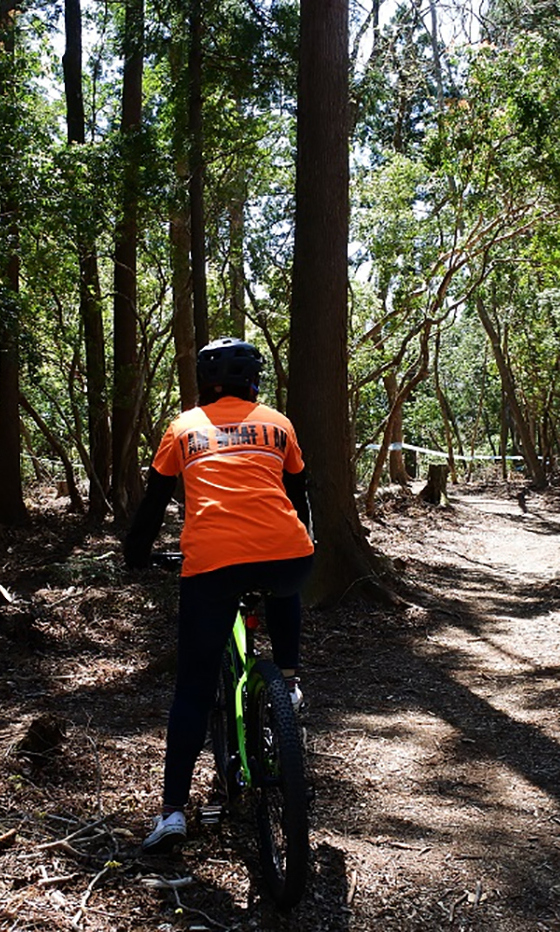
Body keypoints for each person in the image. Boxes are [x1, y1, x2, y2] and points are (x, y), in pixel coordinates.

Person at [123, 336, 315, 854]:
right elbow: (299, 496)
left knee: (192, 689)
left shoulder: (183, 428)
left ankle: (173, 814)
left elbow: (154, 502)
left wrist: (135, 555)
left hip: (211, 564)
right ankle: (289, 679)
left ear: (203, 385)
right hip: (288, 554)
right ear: (254, 382)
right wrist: (304, 541)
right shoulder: (279, 424)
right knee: (283, 576)